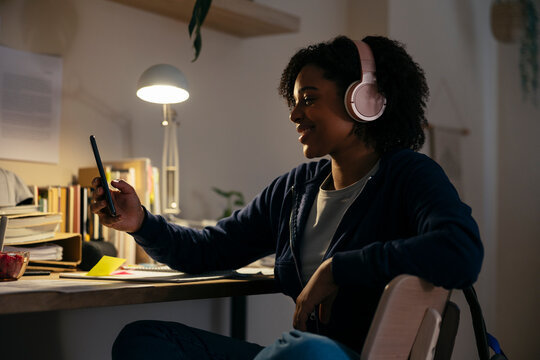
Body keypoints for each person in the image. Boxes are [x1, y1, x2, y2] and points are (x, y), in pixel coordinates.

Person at [91, 35, 484, 360]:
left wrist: (337, 269)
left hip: (336, 356)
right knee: (142, 340)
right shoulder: (297, 189)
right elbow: (211, 250)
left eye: (309, 98)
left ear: (363, 99)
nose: (295, 114)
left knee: (306, 353)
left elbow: (460, 251)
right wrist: (141, 222)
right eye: (294, 101)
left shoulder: (408, 174)